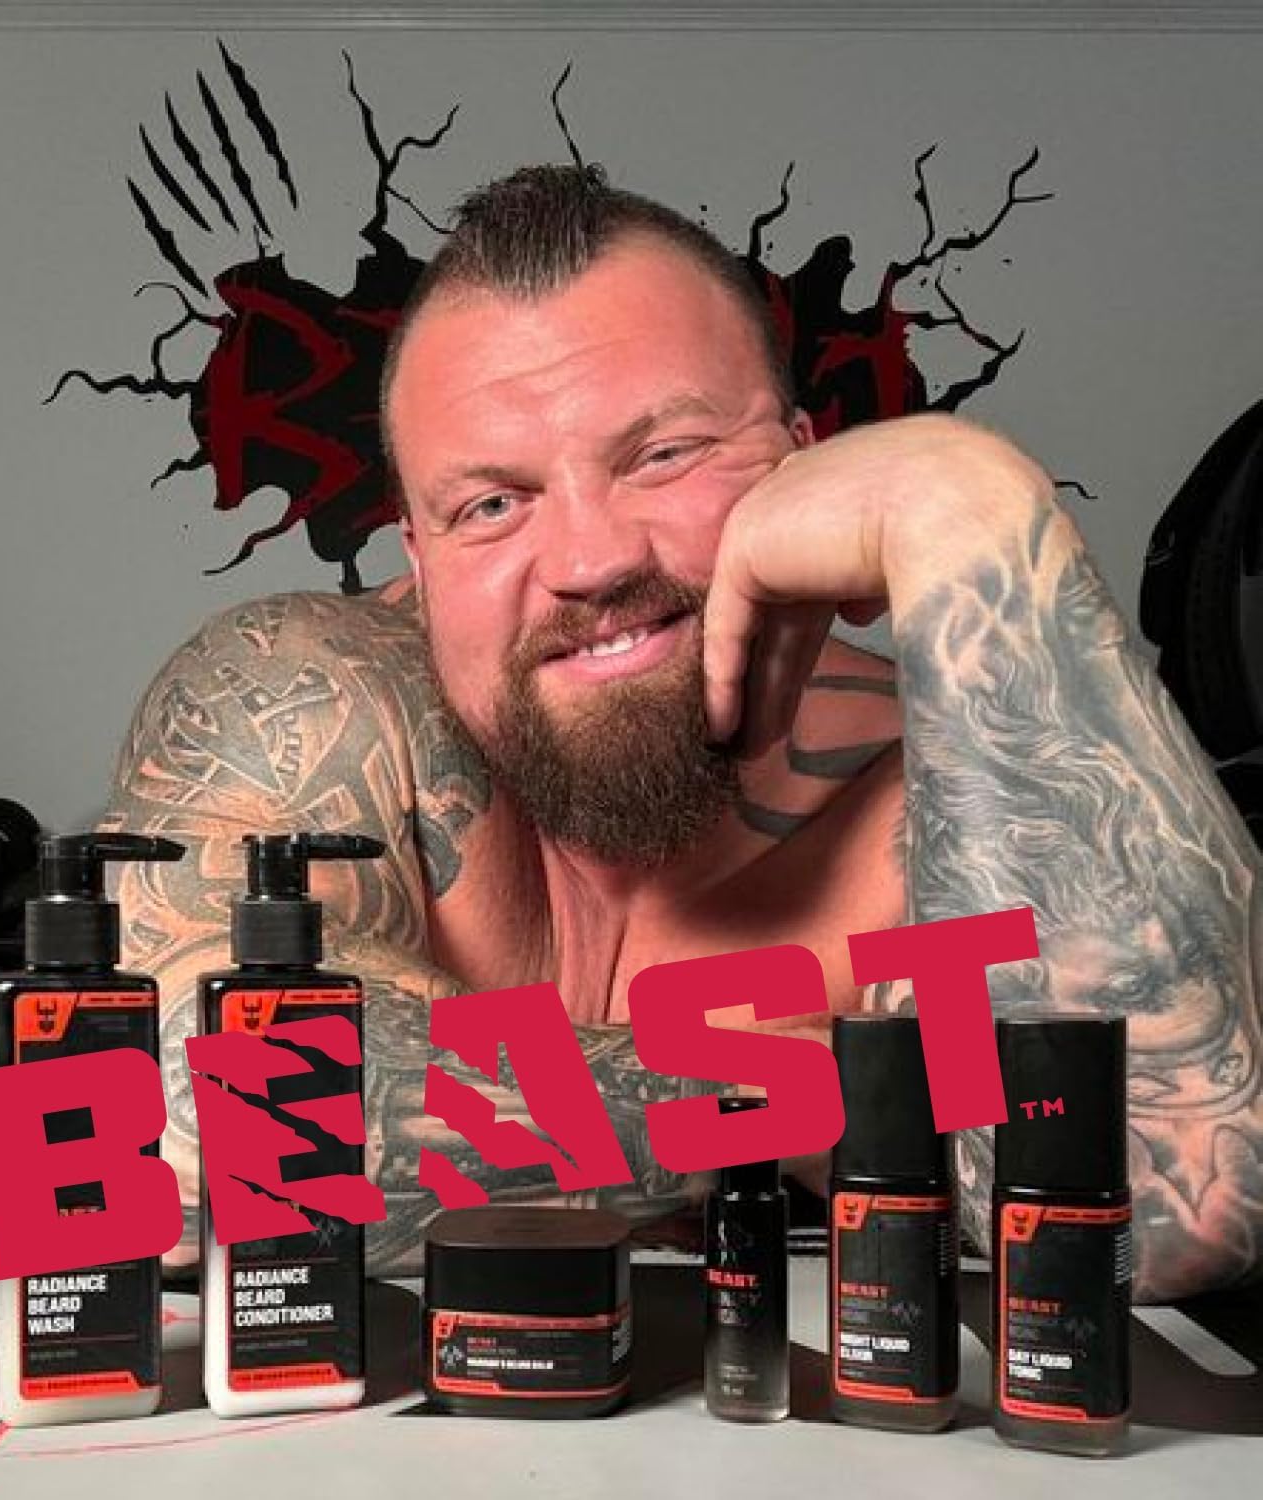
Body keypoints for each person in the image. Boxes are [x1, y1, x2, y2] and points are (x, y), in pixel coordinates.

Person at [104, 164, 1263, 1303]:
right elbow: (163, 1135)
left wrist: (966, 509)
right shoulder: (318, 697)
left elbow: (1174, 1205)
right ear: (419, 551)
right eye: (492, 505)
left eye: (665, 456)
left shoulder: (950, 799)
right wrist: (826, 1092)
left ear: (807, 466)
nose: (592, 561)